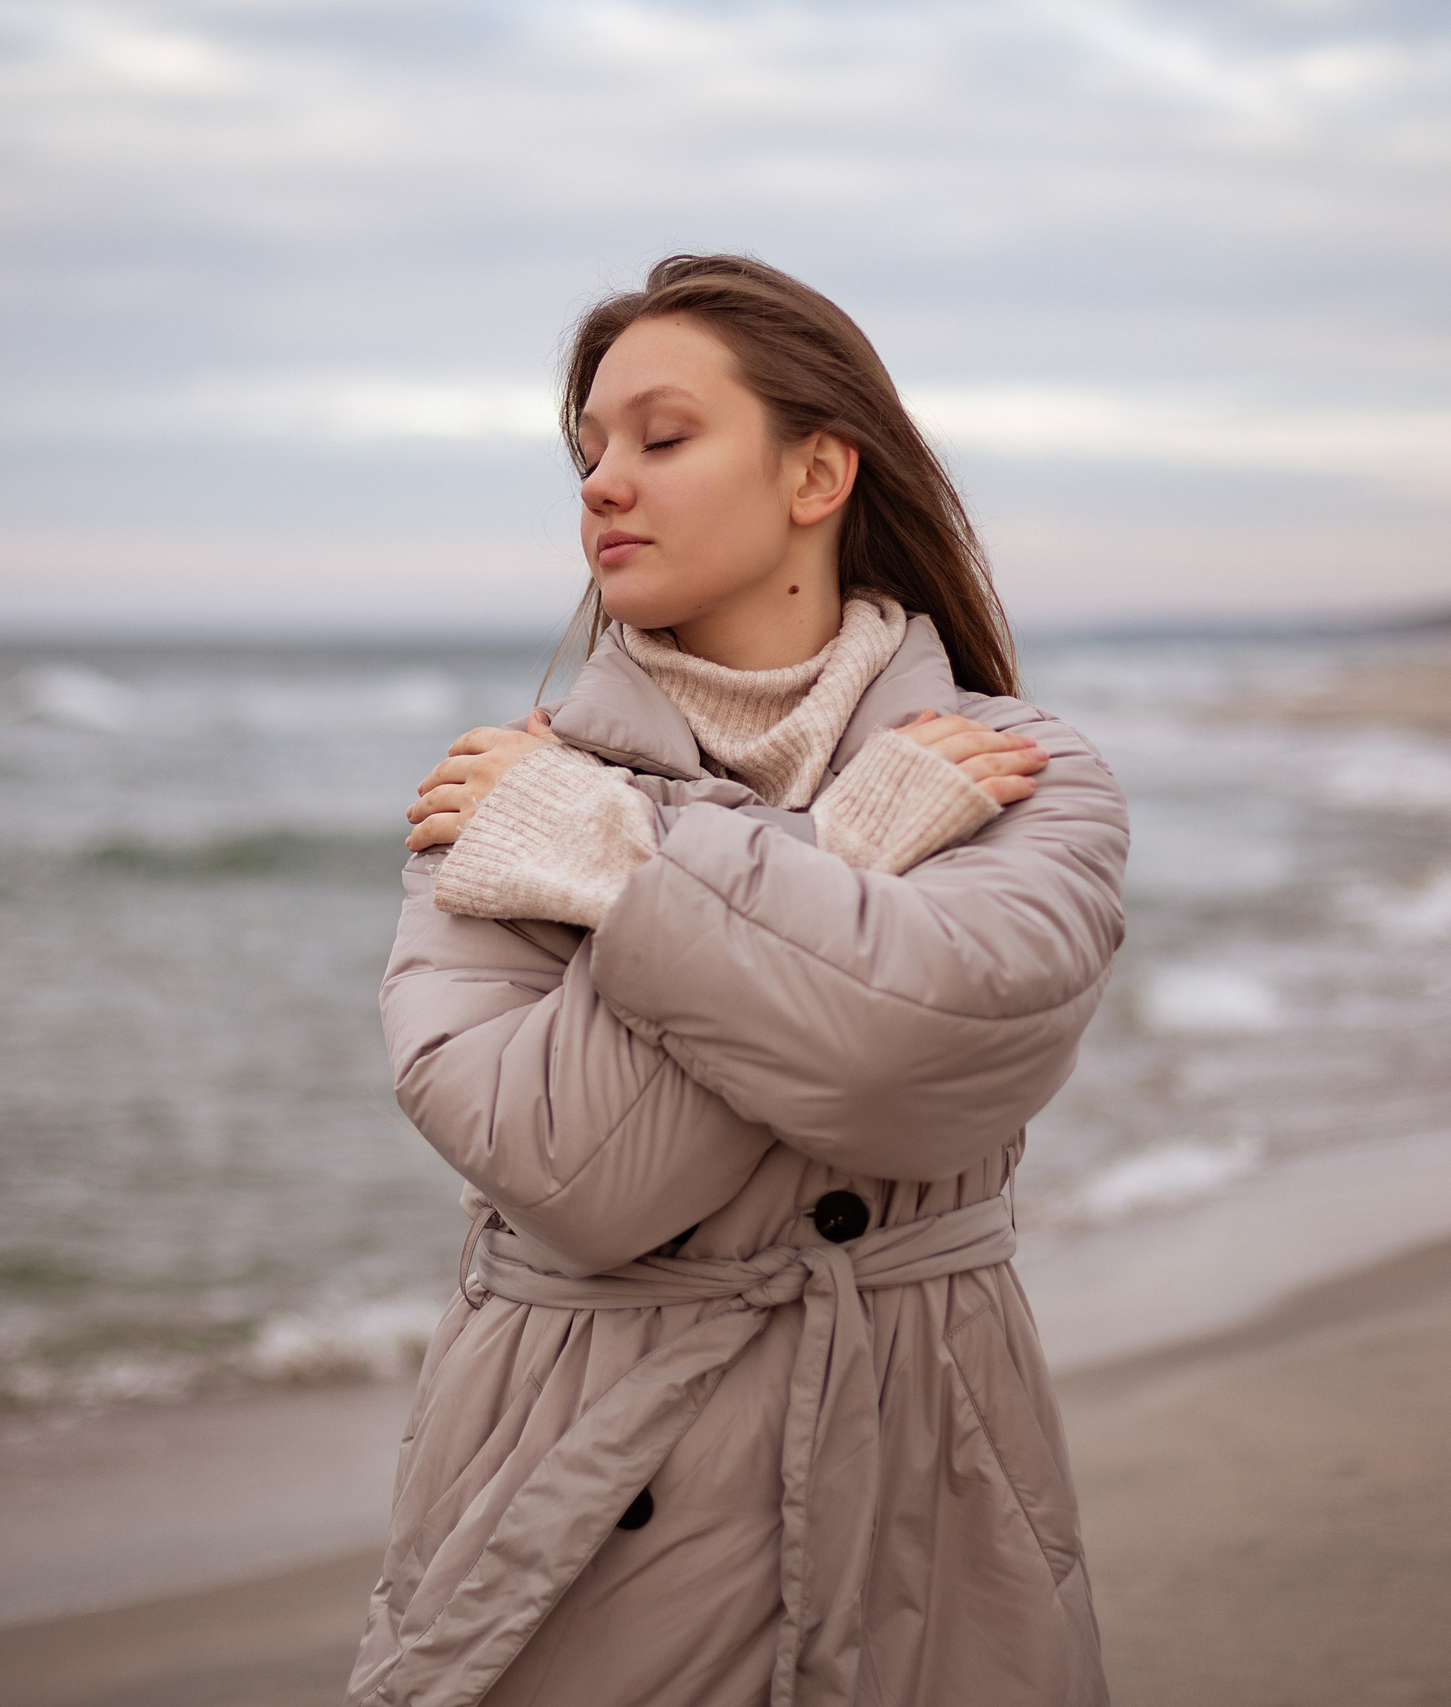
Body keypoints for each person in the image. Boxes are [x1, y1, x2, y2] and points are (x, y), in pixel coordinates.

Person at [348, 254, 1129, 1707]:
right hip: (567, 1498)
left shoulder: (1025, 770)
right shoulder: (503, 794)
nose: (601, 484)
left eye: (661, 437)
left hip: (923, 1484)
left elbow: (919, 1055)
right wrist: (846, 844)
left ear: (817, 470)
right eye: (586, 453)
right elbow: (573, 1173)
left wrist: (617, 867)